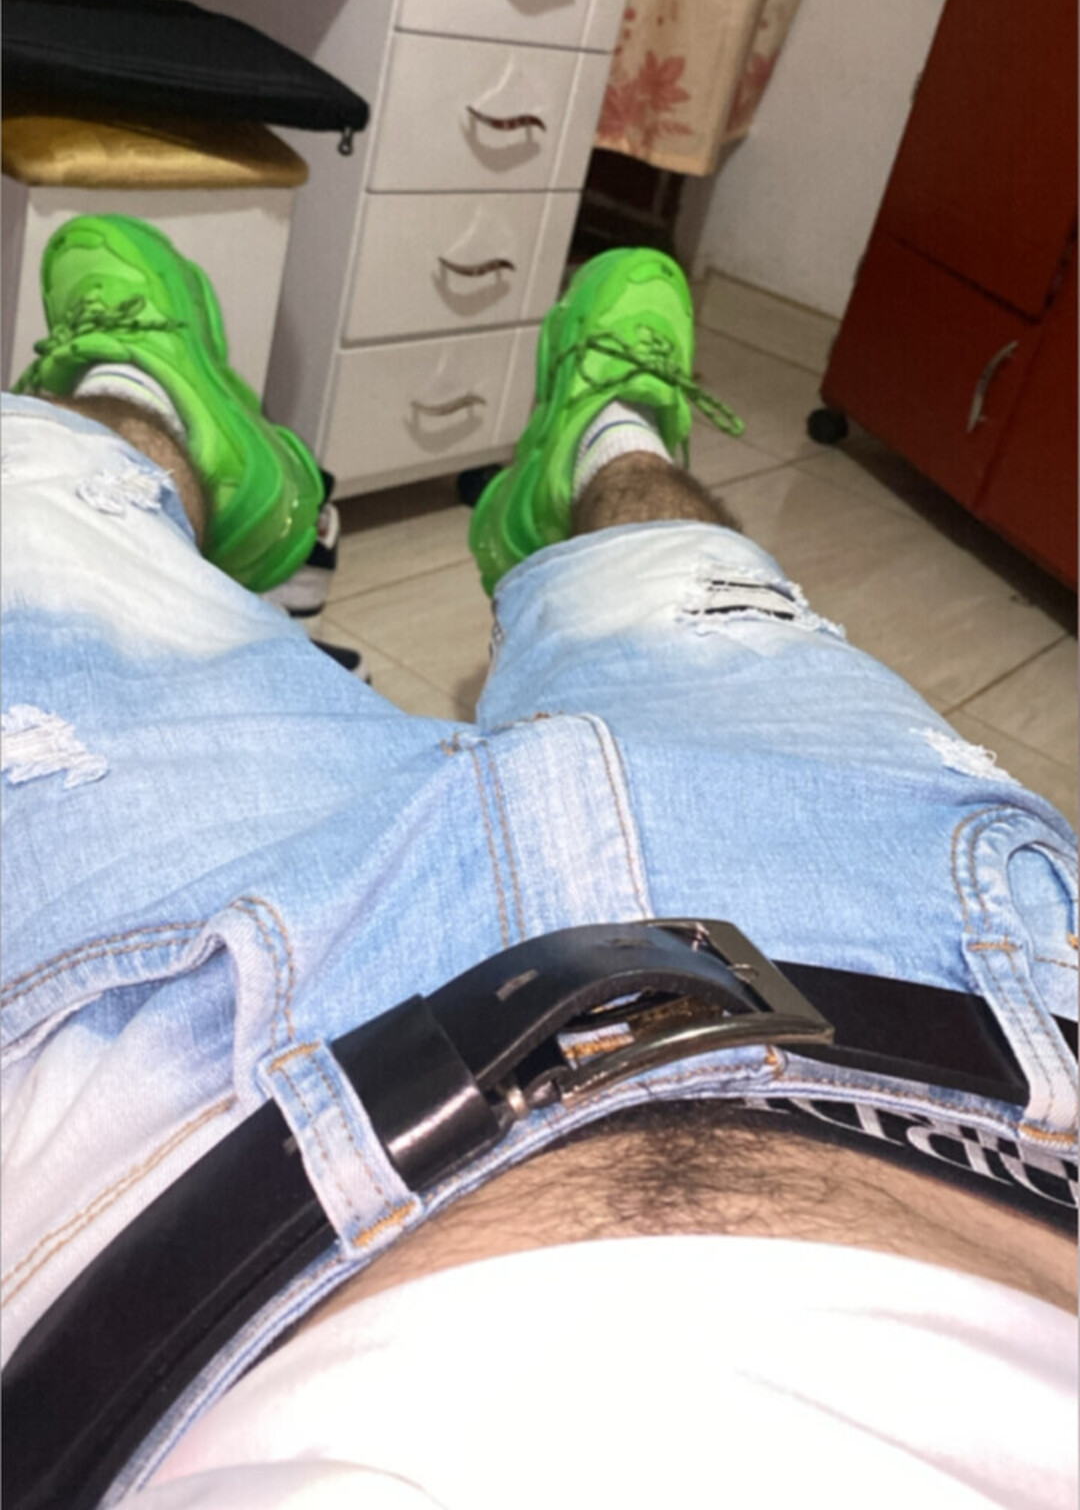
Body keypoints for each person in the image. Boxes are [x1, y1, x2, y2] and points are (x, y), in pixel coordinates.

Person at [2, 215, 1076, 1510]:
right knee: (679, 567)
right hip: (944, 987)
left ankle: (143, 406)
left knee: (29, 500)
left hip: (166, 1116)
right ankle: (607, 441)